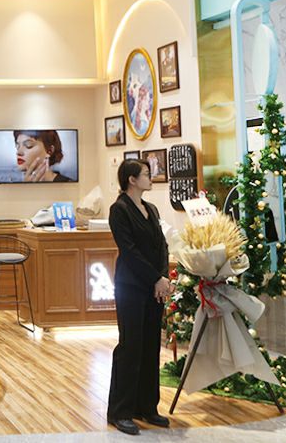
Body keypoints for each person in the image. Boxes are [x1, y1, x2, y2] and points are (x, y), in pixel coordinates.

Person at [106, 159, 172, 435]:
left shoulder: (151, 208)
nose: (151, 178)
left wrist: (163, 277)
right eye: (146, 174)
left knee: (150, 346)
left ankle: (147, 406)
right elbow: (129, 251)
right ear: (131, 180)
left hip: (154, 287)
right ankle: (120, 411)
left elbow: (162, 245)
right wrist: (155, 278)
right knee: (130, 347)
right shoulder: (119, 210)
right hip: (131, 286)